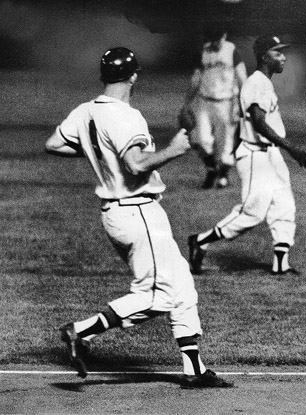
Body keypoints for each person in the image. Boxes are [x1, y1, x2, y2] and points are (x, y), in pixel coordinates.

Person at [44, 47, 233, 388]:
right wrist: (175, 149)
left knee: (182, 286)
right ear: (133, 75)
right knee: (158, 294)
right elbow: (136, 164)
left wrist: (97, 151)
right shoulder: (125, 116)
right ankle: (80, 331)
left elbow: (54, 144)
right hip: (138, 212)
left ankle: (194, 370)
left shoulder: (86, 111)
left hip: (118, 215)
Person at [187, 35, 306, 276]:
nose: (283, 57)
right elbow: (259, 123)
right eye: (277, 52)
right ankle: (200, 241)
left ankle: (281, 262)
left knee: (284, 206)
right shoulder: (256, 84)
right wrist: (292, 148)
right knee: (252, 213)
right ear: (264, 56)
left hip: (271, 155)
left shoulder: (264, 82)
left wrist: (283, 150)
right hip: (256, 157)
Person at [182, 27, 247, 189]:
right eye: (213, 39)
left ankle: (223, 175)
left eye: (219, 38)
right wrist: (186, 103)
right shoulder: (204, 51)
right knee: (201, 139)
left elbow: (242, 78)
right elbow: (196, 79)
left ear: (224, 36)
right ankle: (212, 169)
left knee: (225, 142)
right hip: (204, 102)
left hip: (227, 102)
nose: (216, 42)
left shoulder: (231, 50)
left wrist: (240, 105)